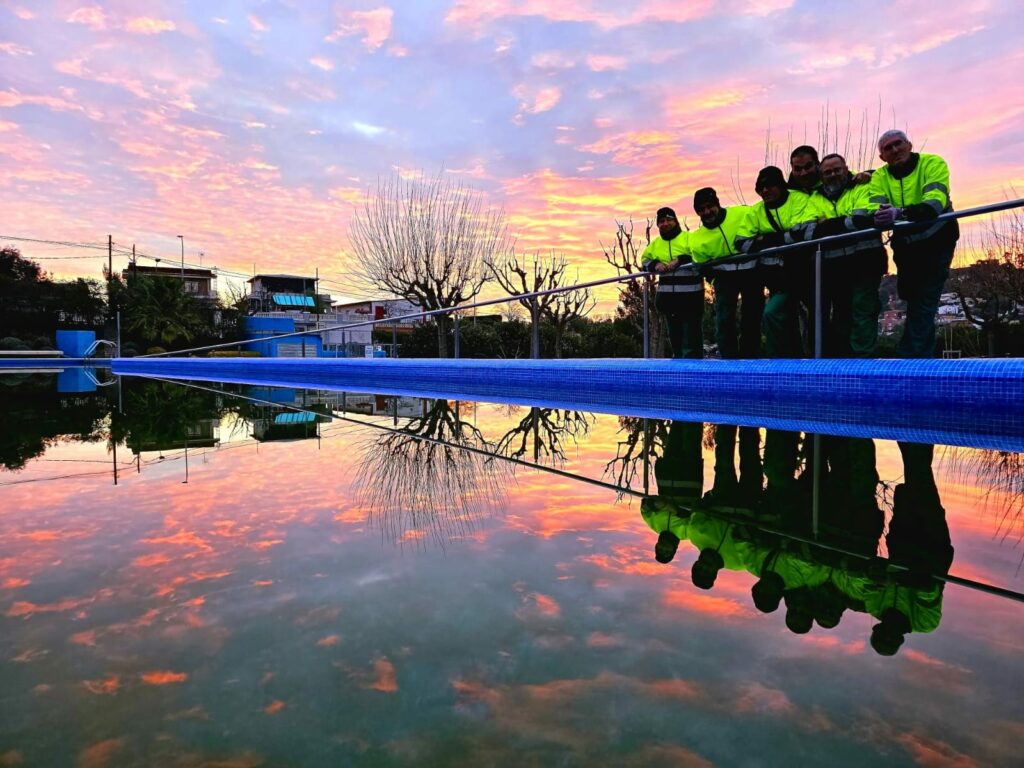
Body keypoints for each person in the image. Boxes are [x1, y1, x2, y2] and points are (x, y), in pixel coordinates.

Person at [868, 130, 959, 358]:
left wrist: (898, 213)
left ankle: (914, 357)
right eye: (888, 148)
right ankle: (914, 354)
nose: (894, 150)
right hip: (906, 246)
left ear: (909, 145)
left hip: (938, 240)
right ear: (882, 157)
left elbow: (933, 205)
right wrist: (880, 214)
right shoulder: (880, 176)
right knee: (911, 296)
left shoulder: (933, 163)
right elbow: (874, 209)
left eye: (898, 144)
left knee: (925, 298)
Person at [735, 166, 819, 357]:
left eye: (770, 186)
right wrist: (785, 238)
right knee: (775, 315)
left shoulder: (799, 199)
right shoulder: (756, 211)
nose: (765, 191)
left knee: (818, 318)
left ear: (781, 185)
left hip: (807, 274)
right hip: (780, 281)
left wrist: (763, 239)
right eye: (761, 188)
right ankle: (782, 362)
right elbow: (741, 243)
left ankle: (824, 363)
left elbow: (805, 233)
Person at [809, 153, 887, 357]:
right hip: (835, 267)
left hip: (866, 262)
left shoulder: (863, 186)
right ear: (821, 175)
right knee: (841, 316)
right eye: (827, 172)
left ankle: (863, 363)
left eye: (837, 170)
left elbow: (863, 219)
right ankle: (844, 363)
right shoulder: (814, 198)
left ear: (846, 168)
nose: (833, 175)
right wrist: (843, 223)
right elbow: (810, 232)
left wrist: (826, 225)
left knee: (863, 310)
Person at [688, 188, 761, 358]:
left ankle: (750, 358)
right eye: (701, 209)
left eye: (709, 206)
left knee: (752, 317)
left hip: (752, 272)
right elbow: (700, 265)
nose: (707, 212)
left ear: (717, 203)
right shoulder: (697, 238)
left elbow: (761, 227)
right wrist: (714, 278)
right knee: (724, 319)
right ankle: (729, 360)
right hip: (724, 278)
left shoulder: (743, 213)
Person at [641, 207, 704, 359]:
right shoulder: (655, 244)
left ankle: (695, 370)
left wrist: (681, 260)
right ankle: (678, 370)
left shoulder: (689, 237)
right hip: (669, 301)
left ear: (676, 221)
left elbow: (701, 254)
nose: (665, 223)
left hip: (691, 298)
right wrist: (655, 264)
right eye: (661, 221)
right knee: (675, 340)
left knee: (692, 341)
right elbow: (644, 260)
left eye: (669, 219)